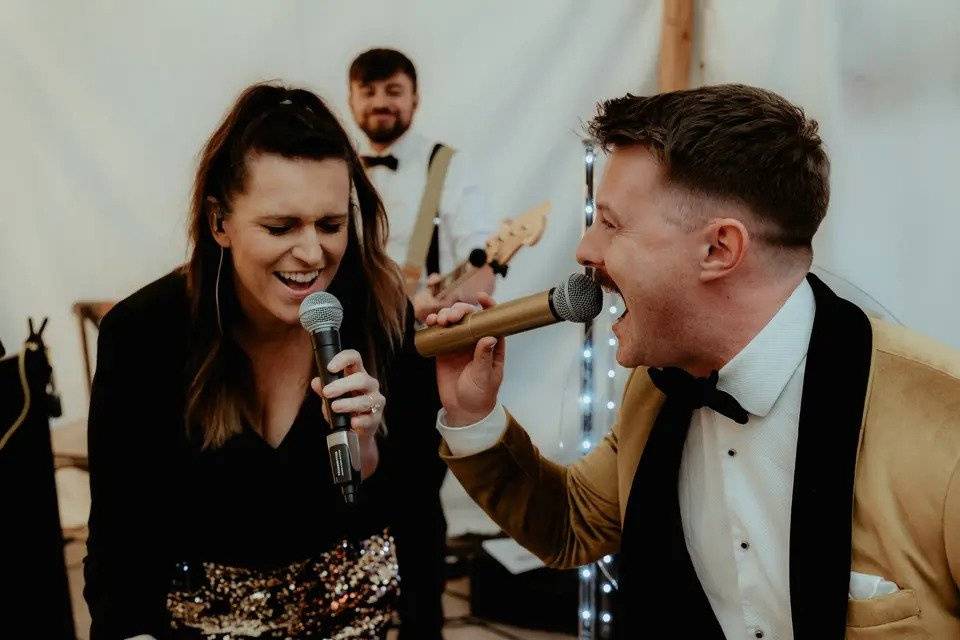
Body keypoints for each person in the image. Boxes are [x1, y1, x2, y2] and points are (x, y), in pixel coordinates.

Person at [427, 84, 960, 639]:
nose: (585, 250)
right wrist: (473, 414)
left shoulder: (945, 424)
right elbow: (572, 524)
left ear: (718, 250)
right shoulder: (657, 388)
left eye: (610, 224)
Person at [83, 83, 447, 640]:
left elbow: (418, 516)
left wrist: (370, 454)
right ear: (219, 223)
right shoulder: (142, 333)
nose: (312, 253)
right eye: (280, 227)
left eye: (331, 225)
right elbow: (119, 540)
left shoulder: (386, 318)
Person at [347, 48, 497, 322]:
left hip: (428, 338)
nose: (380, 102)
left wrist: (453, 296)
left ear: (415, 99)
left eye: (393, 91)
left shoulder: (450, 165)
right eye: (368, 92)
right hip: (356, 336)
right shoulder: (339, 171)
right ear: (351, 100)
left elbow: (482, 261)